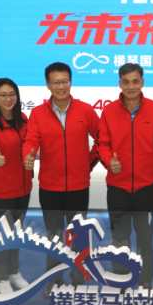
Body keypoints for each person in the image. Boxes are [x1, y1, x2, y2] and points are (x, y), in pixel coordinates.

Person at [22, 62, 99, 286]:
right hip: (50, 187)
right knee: (54, 237)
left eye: (65, 81)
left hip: (78, 186)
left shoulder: (85, 110)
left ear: (71, 82)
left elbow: (102, 138)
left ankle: (78, 280)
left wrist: (88, 162)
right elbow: (31, 140)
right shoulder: (38, 113)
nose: (61, 87)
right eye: (56, 82)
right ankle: (54, 281)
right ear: (48, 85)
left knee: (78, 238)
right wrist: (28, 154)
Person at [98, 63, 153, 287]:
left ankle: (145, 283)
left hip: (146, 188)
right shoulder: (109, 111)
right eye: (126, 82)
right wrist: (109, 161)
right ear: (119, 84)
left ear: (142, 82)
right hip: (117, 188)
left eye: (135, 81)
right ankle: (121, 282)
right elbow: (102, 144)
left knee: (145, 241)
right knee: (119, 240)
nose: (131, 87)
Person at [0, 78, 33, 294]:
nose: (8, 98)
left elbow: (31, 144)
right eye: (3, 95)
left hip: (24, 188)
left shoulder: (23, 119)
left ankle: (14, 272)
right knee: (2, 236)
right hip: (1, 191)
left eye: (12, 94)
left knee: (17, 234)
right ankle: (1, 278)